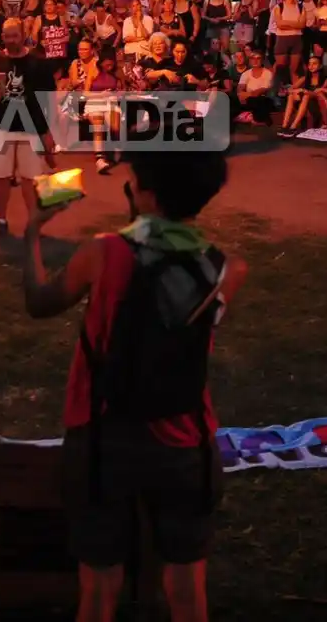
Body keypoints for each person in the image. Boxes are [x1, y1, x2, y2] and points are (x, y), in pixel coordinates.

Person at [21, 150, 245, 622]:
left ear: (143, 191)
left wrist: (32, 231)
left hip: (102, 436)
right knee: (187, 590)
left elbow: (40, 302)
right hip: (185, 440)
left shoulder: (104, 252)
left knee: (99, 591)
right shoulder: (225, 268)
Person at [0, 17, 57, 236]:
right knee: (0, 176)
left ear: (23, 34)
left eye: (15, 35)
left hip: (31, 127)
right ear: (2, 37)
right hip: (0, 126)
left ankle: (33, 223)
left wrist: (49, 131)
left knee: (30, 178)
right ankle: (1, 220)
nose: (11, 40)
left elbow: (49, 99)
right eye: (7, 36)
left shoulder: (38, 62)